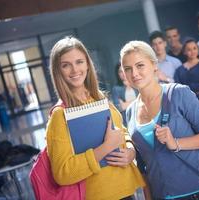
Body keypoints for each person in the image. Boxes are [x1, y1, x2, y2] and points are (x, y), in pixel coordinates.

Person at [120, 40, 199, 200]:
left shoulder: (179, 94)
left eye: (140, 65)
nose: (134, 73)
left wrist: (176, 143)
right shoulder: (131, 111)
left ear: (154, 65)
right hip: (161, 194)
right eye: (127, 69)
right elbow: (142, 163)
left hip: (197, 192)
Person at [47, 36, 145, 200]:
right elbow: (62, 173)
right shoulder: (59, 115)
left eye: (79, 62)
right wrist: (106, 147)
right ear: (58, 71)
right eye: (66, 65)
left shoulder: (99, 98)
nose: (75, 70)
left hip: (126, 189)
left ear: (87, 64)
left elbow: (121, 130)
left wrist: (130, 150)